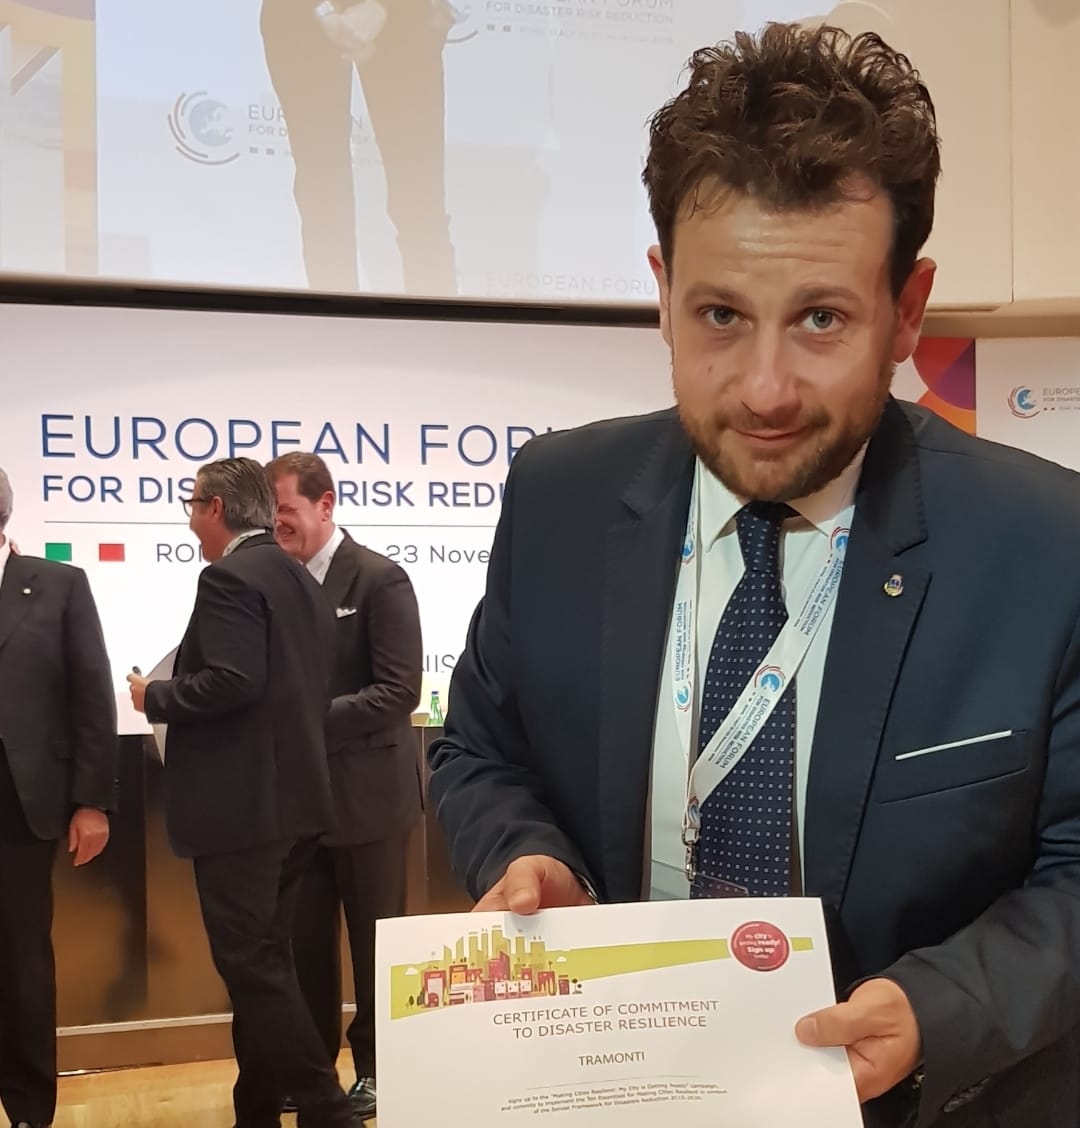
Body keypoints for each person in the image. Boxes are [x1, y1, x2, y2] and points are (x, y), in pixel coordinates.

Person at [427, 23, 1080, 1128]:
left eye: (822, 318)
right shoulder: (557, 501)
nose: (765, 390)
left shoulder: (1044, 544)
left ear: (907, 310)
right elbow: (480, 750)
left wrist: (940, 1007)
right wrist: (528, 856)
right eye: (721, 316)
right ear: (663, 290)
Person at [126, 457, 363, 1128]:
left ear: (216, 509)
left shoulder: (228, 577)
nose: (189, 521)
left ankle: (329, 1111)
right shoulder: (298, 577)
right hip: (295, 806)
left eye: (191, 506)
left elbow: (233, 680)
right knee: (268, 964)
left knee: (253, 968)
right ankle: (256, 1111)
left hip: (242, 815)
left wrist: (156, 695)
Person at [266, 452, 423, 1120]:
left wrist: (302, 721)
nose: (277, 525)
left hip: (370, 803)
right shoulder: (273, 582)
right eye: (271, 514)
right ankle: (315, 1079)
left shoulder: (380, 579)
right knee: (305, 953)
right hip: (297, 807)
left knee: (375, 950)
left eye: (286, 511)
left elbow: (398, 691)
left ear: (325, 505)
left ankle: (380, 1074)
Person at [0, 466, 116, 1128]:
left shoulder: (57, 584)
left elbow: (91, 695)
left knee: (21, 959)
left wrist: (92, 800)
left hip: (21, 804)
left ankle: (27, 1108)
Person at [260, 0, 457, 295]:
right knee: (323, 200)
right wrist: (321, 10)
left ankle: (434, 321)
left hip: (405, 17)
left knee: (419, 203)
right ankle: (333, 321)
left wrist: (383, 7)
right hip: (298, 16)